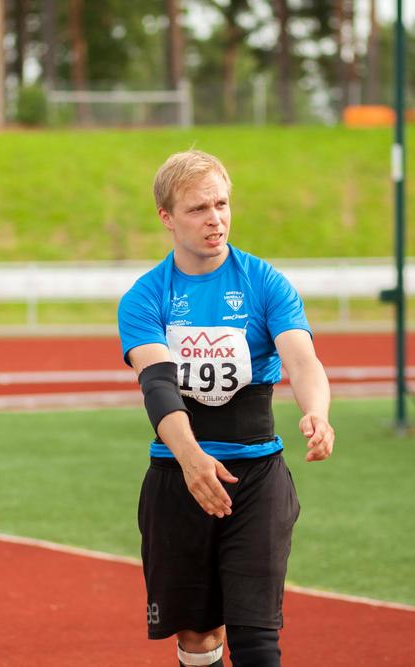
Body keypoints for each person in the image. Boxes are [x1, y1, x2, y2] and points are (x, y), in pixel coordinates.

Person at [117, 150, 335, 667]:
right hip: (178, 478)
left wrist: (317, 411)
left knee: (256, 634)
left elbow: (302, 359)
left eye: (221, 204)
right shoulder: (145, 297)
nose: (215, 218)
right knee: (198, 638)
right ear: (167, 217)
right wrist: (191, 458)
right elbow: (158, 384)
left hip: (257, 478)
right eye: (198, 208)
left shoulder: (265, 282)